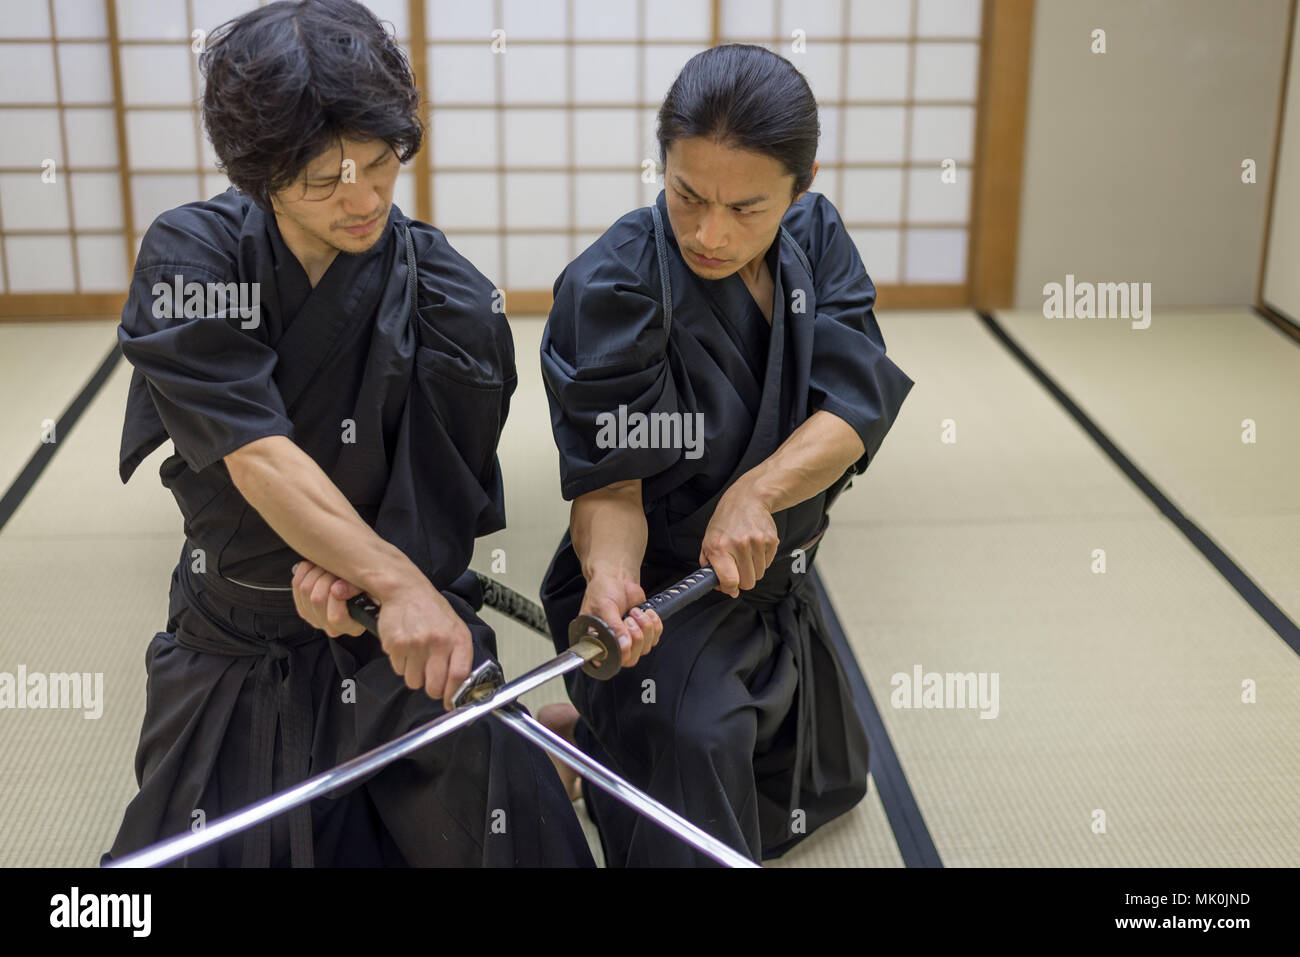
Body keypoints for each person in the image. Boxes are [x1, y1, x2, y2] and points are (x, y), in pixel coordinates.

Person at [102, 0, 592, 867]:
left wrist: (386, 585)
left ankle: (528, 750)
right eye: (323, 179)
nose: (361, 197)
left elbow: (441, 502)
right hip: (240, 638)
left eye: (378, 161)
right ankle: (530, 747)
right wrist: (386, 574)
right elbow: (254, 453)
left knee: (510, 844)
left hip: (395, 636)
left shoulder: (451, 300)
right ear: (258, 170)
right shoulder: (194, 261)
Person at [537, 43, 915, 866]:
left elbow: (856, 404)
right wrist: (610, 578)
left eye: (747, 208)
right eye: (687, 195)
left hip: (774, 574)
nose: (710, 233)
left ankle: (591, 735)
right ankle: (609, 723)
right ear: (662, 166)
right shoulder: (615, 287)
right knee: (695, 751)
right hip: (667, 585)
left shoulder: (815, 241)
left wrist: (758, 491)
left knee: (821, 786)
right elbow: (614, 485)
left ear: (802, 184)